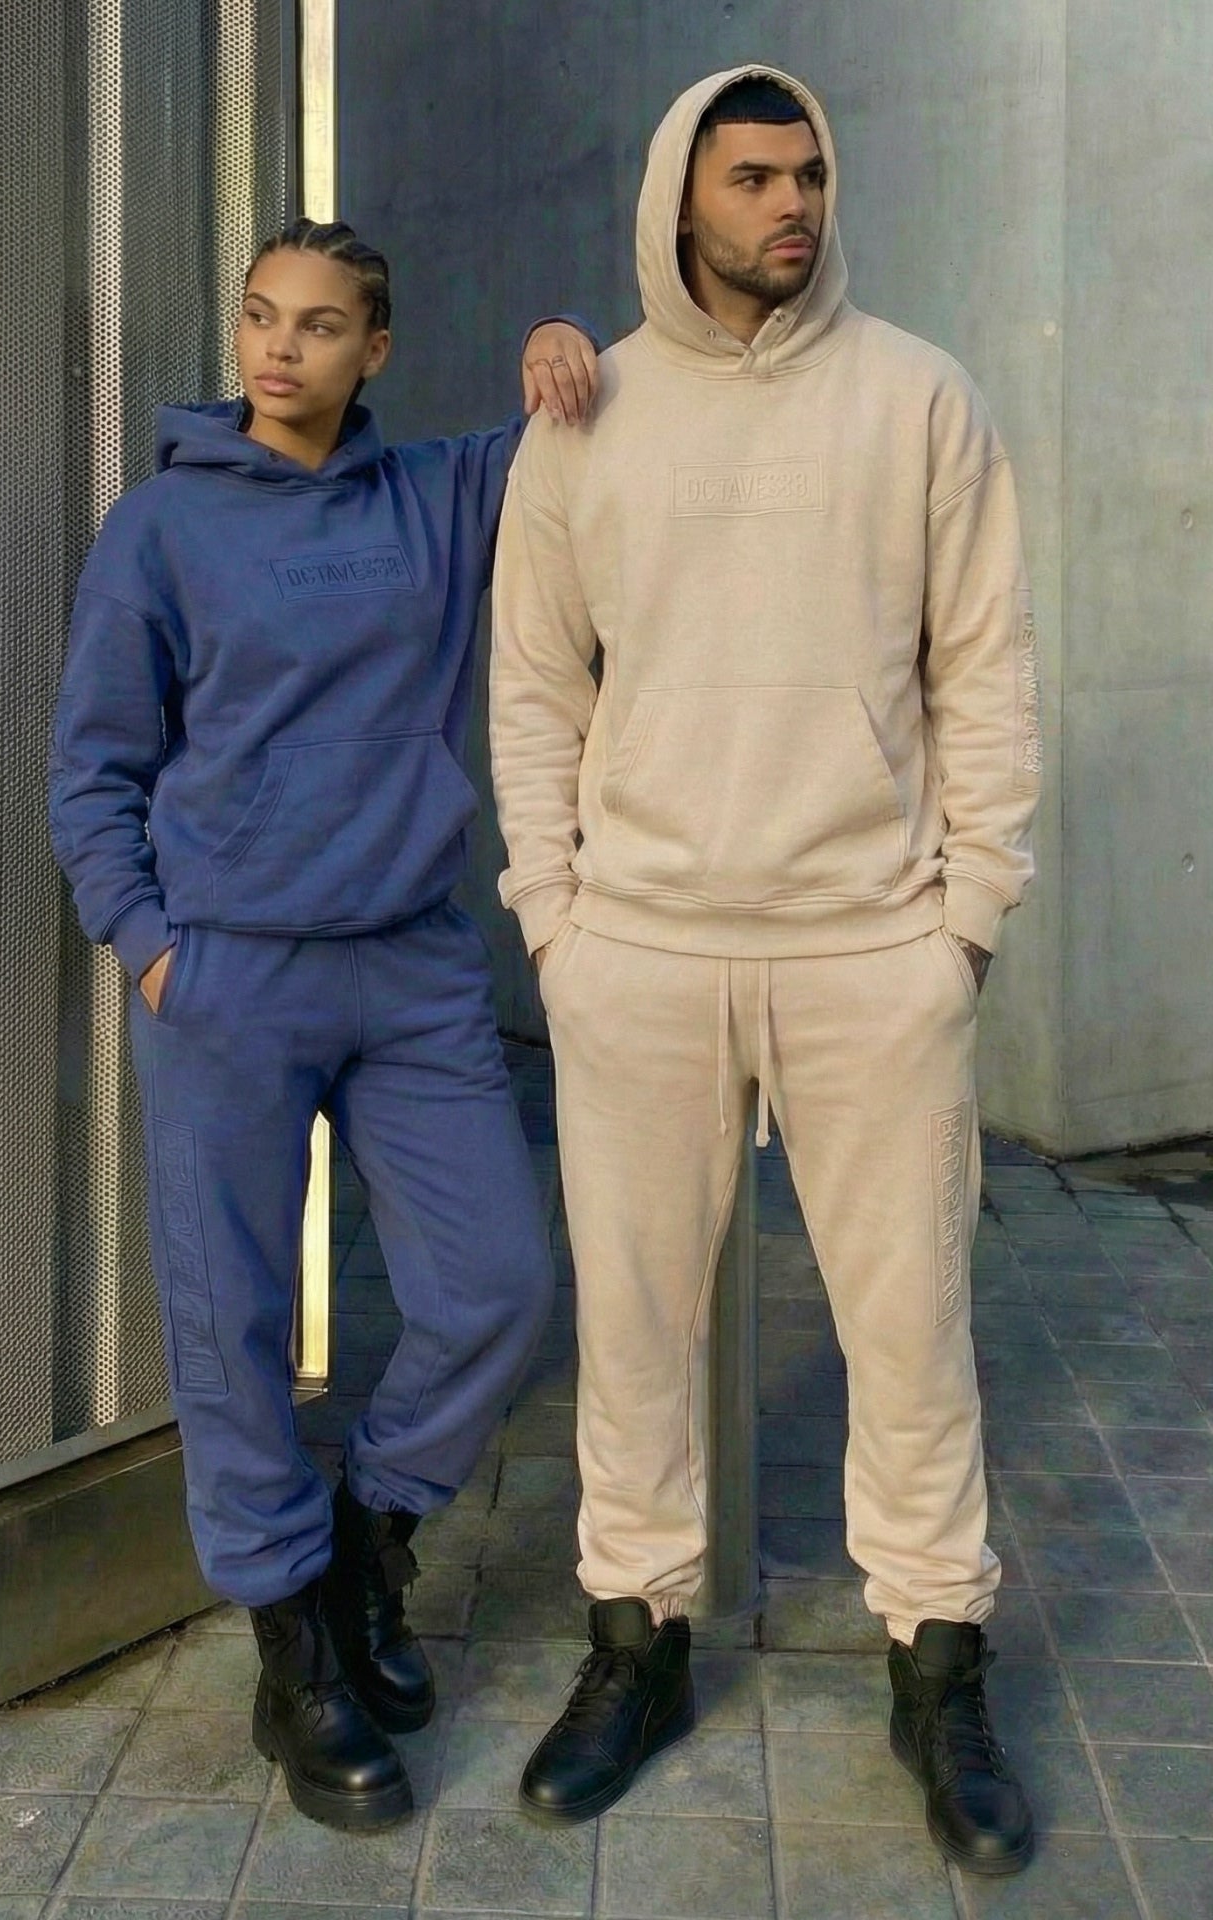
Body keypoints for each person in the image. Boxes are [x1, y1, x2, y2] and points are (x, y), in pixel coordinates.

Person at [489, 67, 1039, 1875]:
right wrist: (557, 923)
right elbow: (534, 684)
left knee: (913, 1329)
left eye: (806, 174)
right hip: (641, 949)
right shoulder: (588, 414)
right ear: (681, 198)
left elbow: (983, 669)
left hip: (872, 947)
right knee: (634, 1329)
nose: (789, 203)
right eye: (750, 179)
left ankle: (937, 1667)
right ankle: (634, 1646)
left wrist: (966, 920)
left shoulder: (920, 396)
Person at [49, 217, 598, 1832]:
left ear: (375, 349)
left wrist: (564, 336)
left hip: (413, 964)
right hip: (228, 974)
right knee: (229, 1325)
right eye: (260, 317)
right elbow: (94, 763)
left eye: (319, 325)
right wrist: (151, 946)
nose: (280, 348)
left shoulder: (435, 495)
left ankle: (369, 1536)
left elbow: (596, 426)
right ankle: (294, 1643)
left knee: (496, 1282)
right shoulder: (161, 527)